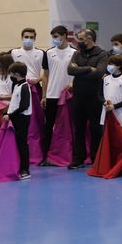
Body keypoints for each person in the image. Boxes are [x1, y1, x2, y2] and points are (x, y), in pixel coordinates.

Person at [66, 28, 109, 169]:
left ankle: (96, 157)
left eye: (81, 39)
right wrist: (89, 68)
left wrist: (79, 70)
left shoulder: (102, 54)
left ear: (90, 39)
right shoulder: (77, 53)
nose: (78, 41)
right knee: (79, 128)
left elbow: (99, 73)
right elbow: (70, 70)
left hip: (94, 96)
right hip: (78, 96)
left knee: (96, 128)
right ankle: (79, 158)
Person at [42, 25, 75, 161]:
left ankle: (71, 154)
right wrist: (44, 95)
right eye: (53, 37)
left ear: (64, 36)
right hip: (52, 95)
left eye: (56, 37)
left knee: (70, 126)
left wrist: (73, 84)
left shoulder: (74, 53)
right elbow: (45, 75)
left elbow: (78, 73)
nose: (54, 39)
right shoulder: (49, 53)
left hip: (68, 96)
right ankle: (47, 155)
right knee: (49, 125)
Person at [5, 61, 33, 180]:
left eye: (11, 74)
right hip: (16, 117)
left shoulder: (25, 87)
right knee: (16, 142)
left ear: (16, 74)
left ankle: (25, 169)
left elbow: (24, 106)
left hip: (22, 118)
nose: (10, 77)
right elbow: (14, 103)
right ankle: (17, 165)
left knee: (22, 143)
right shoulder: (16, 86)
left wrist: (10, 115)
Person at [100, 55, 122, 131]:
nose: (109, 66)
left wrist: (114, 106)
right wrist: (104, 102)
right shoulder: (105, 79)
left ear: (118, 66)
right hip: (106, 114)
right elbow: (99, 94)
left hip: (120, 117)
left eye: (111, 64)